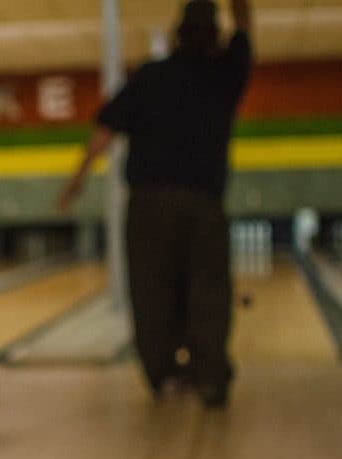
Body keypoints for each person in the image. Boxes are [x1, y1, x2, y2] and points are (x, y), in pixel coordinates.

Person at [58, 0, 253, 408]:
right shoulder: (225, 74)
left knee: (151, 291)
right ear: (215, 38)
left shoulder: (150, 76)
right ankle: (210, 376)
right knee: (208, 291)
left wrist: (77, 178)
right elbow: (245, 30)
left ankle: (163, 374)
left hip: (148, 205)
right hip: (203, 203)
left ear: (175, 34)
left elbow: (105, 129)